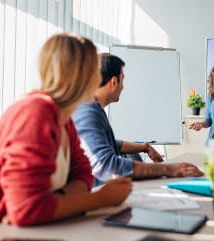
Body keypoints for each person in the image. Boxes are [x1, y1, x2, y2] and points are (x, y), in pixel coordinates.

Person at [0, 33, 132, 227]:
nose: (100, 78)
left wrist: (54, 199)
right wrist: (103, 199)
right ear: (79, 75)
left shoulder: (64, 118)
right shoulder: (35, 113)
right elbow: (26, 209)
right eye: (94, 70)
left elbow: (84, 176)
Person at [72, 53, 203, 184]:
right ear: (114, 82)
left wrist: (144, 147)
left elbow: (108, 142)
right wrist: (168, 169)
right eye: (122, 79)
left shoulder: (92, 108)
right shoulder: (87, 112)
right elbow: (106, 165)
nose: (123, 86)